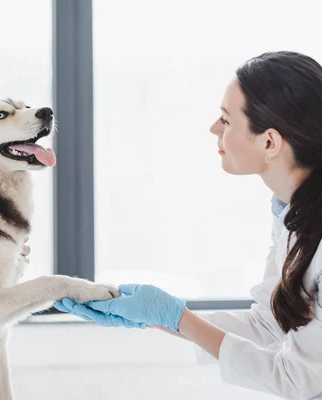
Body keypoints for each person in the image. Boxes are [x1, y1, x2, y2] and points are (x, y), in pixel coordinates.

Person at [56, 51, 322, 400]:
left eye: (226, 121)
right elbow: (268, 325)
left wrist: (178, 318)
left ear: (269, 142)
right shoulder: (291, 213)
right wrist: (158, 317)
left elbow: (299, 380)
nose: (214, 128)